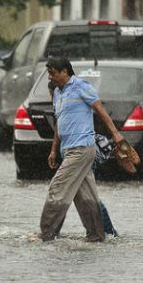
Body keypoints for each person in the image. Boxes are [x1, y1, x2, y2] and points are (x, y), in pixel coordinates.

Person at [38, 57, 125, 242]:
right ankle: (96, 235)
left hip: (82, 148)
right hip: (68, 150)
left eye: (53, 73)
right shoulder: (57, 94)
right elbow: (59, 124)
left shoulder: (81, 86)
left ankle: (46, 234)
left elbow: (100, 109)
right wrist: (54, 150)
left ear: (65, 72)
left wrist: (116, 134)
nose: (50, 77)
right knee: (86, 196)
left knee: (57, 188)